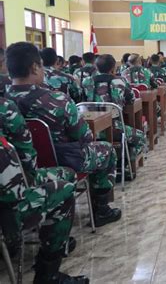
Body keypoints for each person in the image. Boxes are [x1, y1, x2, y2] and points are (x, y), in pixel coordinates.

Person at [6, 42, 121, 228]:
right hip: (63, 160)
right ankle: (101, 210)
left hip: (17, 170)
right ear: (35, 67)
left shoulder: (4, 101)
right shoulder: (56, 100)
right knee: (106, 150)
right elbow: (84, 136)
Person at [0, 97, 88, 284]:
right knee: (63, 189)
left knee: (65, 174)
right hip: (7, 207)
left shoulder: (10, 94)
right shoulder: (5, 108)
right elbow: (27, 158)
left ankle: (58, 239)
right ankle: (48, 273)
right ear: (34, 68)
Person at [82, 54, 146, 164]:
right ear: (113, 68)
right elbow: (131, 99)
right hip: (115, 128)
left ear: (96, 67)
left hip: (91, 129)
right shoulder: (120, 81)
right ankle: (126, 164)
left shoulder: (86, 82)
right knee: (140, 137)